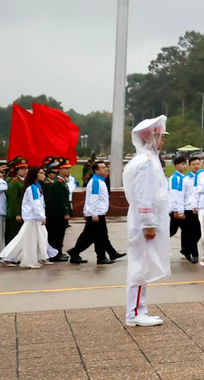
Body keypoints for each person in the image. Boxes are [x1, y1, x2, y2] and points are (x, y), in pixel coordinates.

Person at [123, 116, 171, 327]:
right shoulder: (147, 163)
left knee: (142, 265)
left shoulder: (146, 160)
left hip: (143, 221)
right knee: (140, 266)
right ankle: (134, 312)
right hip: (144, 222)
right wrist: (148, 223)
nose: (163, 141)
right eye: (161, 137)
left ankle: (139, 309)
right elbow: (145, 195)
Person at [0, 167, 56, 268]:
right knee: (26, 240)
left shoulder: (36, 186)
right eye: (41, 173)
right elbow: (36, 204)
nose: (44, 175)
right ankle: (15, 259)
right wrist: (42, 217)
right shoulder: (33, 188)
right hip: (33, 218)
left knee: (40, 238)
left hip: (35, 218)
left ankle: (42, 257)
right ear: (35, 175)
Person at [70, 161, 121, 264]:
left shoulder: (100, 181)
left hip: (96, 213)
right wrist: (93, 214)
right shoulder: (96, 182)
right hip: (96, 214)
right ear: (96, 171)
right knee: (97, 236)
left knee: (92, 236)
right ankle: (100, 257)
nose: (106, 169)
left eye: (106, 167)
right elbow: (93, 199)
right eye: (103, 168)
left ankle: (75, 253)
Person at [40, 161, 71, 263]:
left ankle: (58, 252)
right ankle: (56, 254)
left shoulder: (60, 181)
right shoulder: (58, 182)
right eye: (66, 169)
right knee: (56, 234)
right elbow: (60, 199)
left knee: (60, 234)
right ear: (60, 170)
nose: (68, 170)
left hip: (58, 212)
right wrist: (65, 212)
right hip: (57, 213)